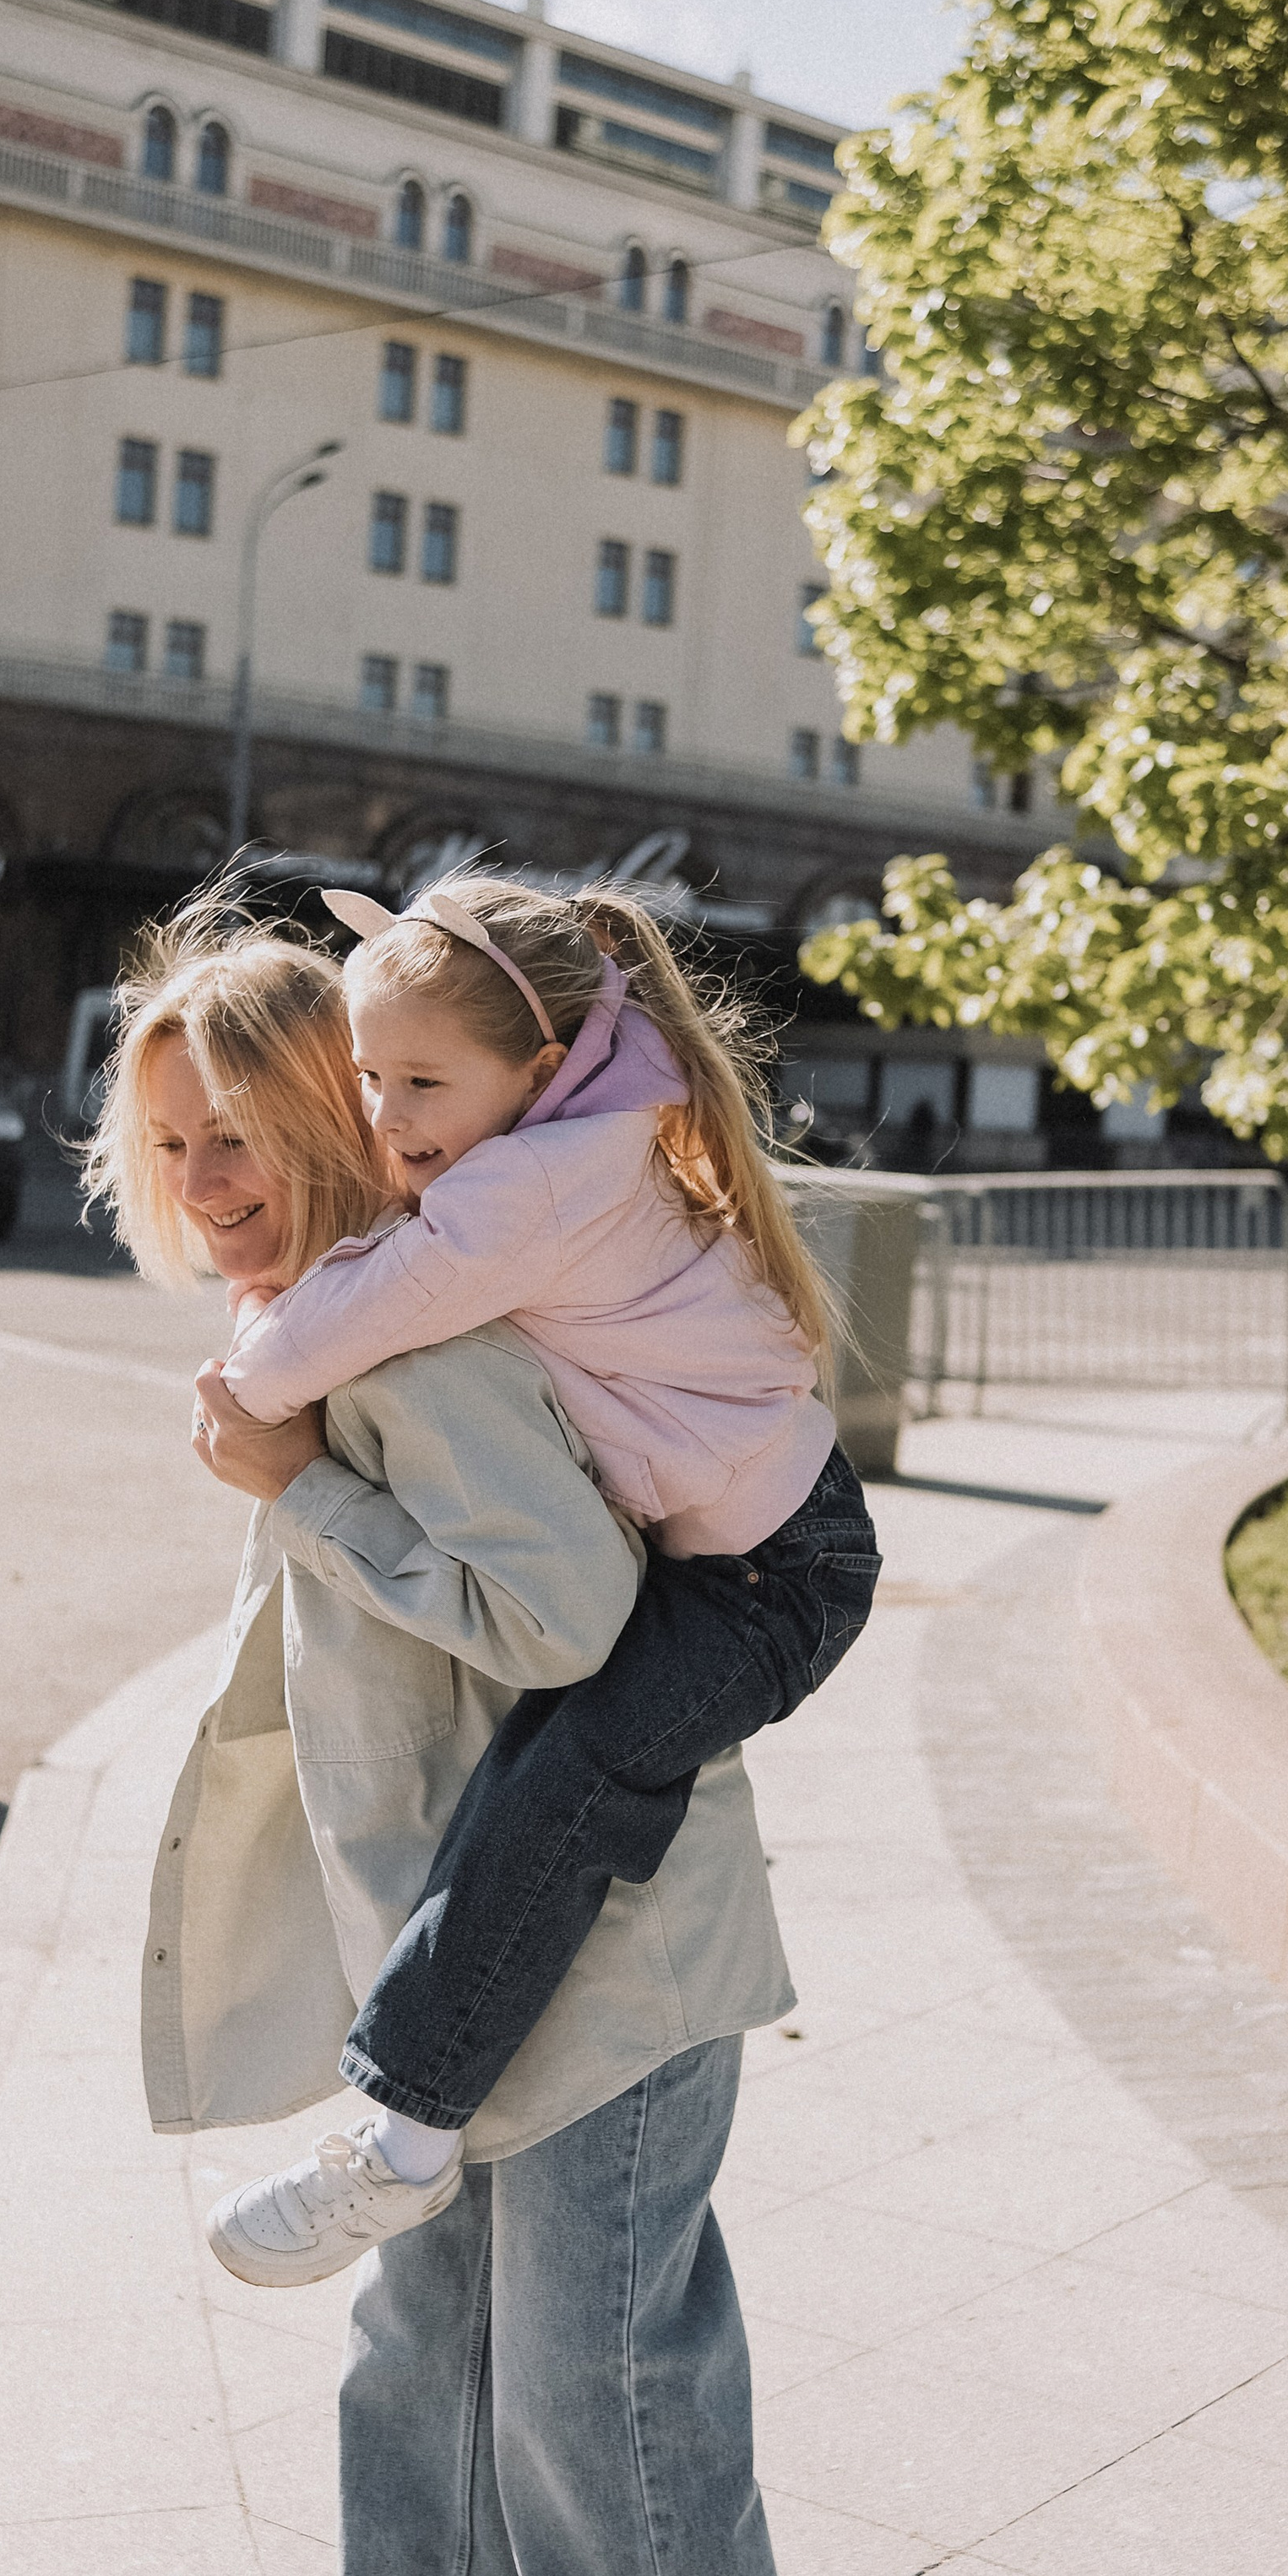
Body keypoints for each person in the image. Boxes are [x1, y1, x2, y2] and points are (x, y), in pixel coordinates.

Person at [85, 895, 866, 2576]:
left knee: (602, 2429)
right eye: (170, 1145)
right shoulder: (341, 1325)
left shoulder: (421, 1350)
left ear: (344, 1120)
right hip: (450, 1997)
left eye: (240, 1131)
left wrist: (305, 1495)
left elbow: (568, 1630)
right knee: (419, 2396)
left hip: (602, 1985)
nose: (204, 1183)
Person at [206, 874, 880, 2285]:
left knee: (565, 1783)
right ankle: (418, 2117)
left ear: (541, 1067)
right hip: (748, 1556)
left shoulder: (529, 1189)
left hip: (777, 1576)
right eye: (370, 1078)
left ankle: (404, 2138)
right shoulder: (569, 1147)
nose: (387, 1117)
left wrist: (246, 1397)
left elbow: (372, 1306)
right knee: (559, 1775)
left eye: (422, 1083)